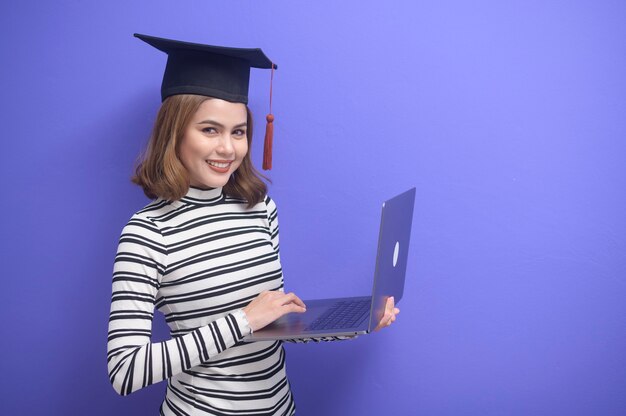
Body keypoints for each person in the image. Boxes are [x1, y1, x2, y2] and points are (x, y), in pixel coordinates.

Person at [107, 33, 400, 415]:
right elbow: (125, 370)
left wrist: (358, 320)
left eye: (238, 132)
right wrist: (243, 320)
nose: (228, 148)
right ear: (174, 133)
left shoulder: (260, 208)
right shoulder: (146, 234)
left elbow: (271, 322)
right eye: (209, 129)